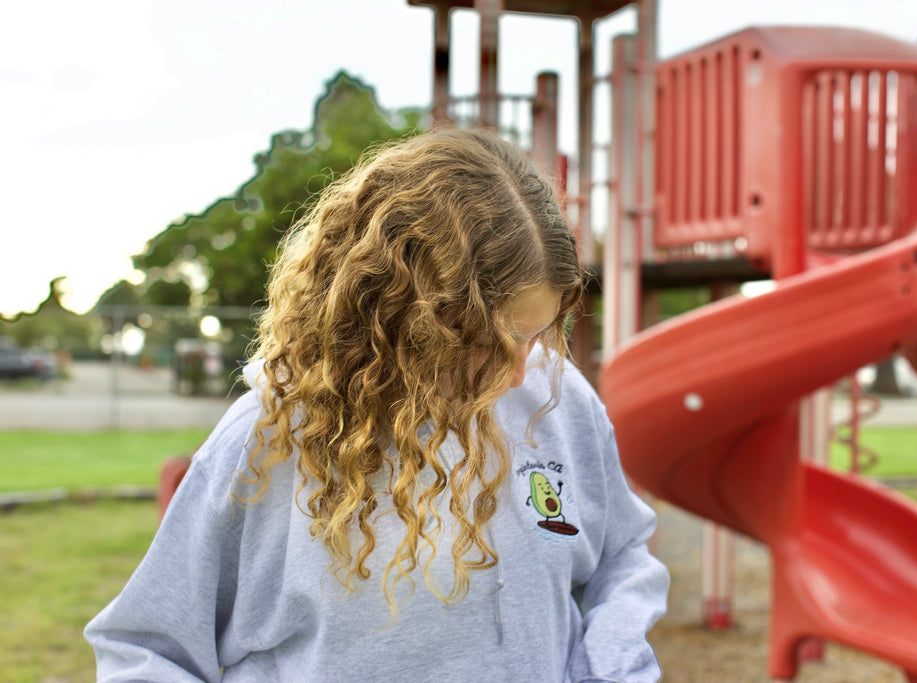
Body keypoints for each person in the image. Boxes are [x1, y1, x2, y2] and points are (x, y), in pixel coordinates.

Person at [85, 127, 669, 682]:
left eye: (535, 336)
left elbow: (623, 557)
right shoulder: (269, 440)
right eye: (492, 341)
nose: (522, 373)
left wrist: (608, 670)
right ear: (406, 317)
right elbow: (146, 649)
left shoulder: (560, 400)